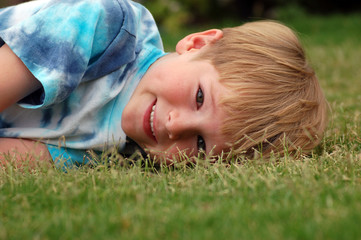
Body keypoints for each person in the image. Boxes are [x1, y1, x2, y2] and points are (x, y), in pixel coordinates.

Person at [0, 0, 327, 169]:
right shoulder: (107, 28)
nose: (175, 125)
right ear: (198, 43)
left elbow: (14, 160)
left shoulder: (116, 151)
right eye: (199, 98)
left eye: (200, 144)